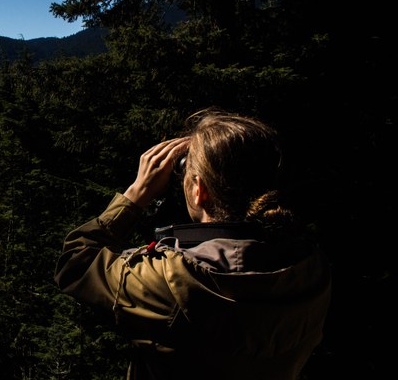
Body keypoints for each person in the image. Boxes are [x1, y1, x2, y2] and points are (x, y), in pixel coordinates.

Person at [55, 108, 331, 380]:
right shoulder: (310, 269)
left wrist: (135, 195)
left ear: (200, 191)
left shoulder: (171, 281)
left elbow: (76, 263)